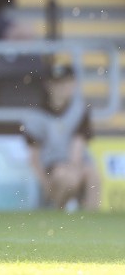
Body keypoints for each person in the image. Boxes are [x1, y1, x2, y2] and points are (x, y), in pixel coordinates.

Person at [22, 62, 101, 211]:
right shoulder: (36, 116)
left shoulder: (79, 110)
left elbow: (77, 146)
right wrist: (45, 182)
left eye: (66, 82)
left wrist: (74, 168)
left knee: (92, 176)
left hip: (75, 164)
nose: (62, 87)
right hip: (52, 167)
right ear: (48, 85)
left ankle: (91, 219)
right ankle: (56, 211)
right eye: (57, 83)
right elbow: (34, 156)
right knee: (64, 176)